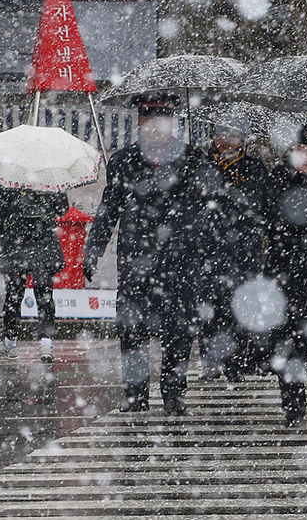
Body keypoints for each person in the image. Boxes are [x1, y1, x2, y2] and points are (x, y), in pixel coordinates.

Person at [84, 99, 222, 415]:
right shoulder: (123, 160)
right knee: (132, 329)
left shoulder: (192, 158)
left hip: (180, 260)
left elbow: (209, 207)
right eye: (149, 122)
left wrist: (204, 244)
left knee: (178, 331)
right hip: (136, 259)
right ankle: (135, 394)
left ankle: (174, 393)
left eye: (162, 123)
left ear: (172, 125)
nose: (156, 129)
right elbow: (108, 210)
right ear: (140, 124)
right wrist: (93, 251)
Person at [263, 123, 307, 425]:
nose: (306, 158)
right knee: (285, 343)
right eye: (301, 151)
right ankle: (292, 404)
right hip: (283, 275)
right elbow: (268, 216)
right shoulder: (278, 179)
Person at [199, 115, 268, 382]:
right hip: (208, 249)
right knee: (209, 310)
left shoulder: (253, 167)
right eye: (222, 135)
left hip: (243, 251)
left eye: (233, 136)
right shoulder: (201, 165)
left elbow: (254, 203)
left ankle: (237, 362)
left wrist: (225, 191)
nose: (227, 141)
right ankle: (210, 362)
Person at [0, 187, 69, 362]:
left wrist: (6, 232)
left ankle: (10, 342)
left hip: (15, 245)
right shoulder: (50, 177)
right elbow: (63, 209)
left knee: (13, 295)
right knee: (44, 295)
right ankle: (46, 343)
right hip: (45, 243)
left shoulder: (9, 178)